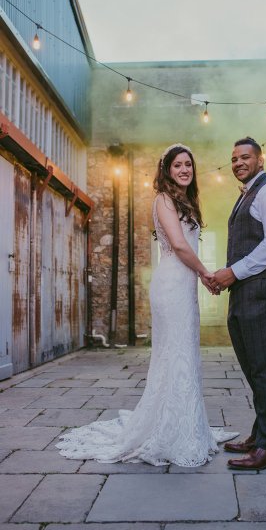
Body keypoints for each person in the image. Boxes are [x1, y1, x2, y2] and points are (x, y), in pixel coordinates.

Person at [56, 143, 237, 467]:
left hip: (184, 285)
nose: (184, 170)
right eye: (178, 165)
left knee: (185, 352)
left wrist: (199, 277)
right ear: (166, 170)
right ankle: (171, 431)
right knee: (175, 352)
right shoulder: (164, 200)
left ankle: (186, 423)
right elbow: (180, 246)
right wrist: (207, 274)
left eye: (188, 165)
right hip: (172, 284)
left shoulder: (187, 201)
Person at [210, 136, 266, 471]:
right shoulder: (248, 194)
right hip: (249, 288)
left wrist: (233, 272)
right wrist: (231, 276)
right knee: (253, 365)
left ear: (260, 160)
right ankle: (262, 435)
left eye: (245, 157)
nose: (238, 163)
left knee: (264, 365)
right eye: (233, 159)